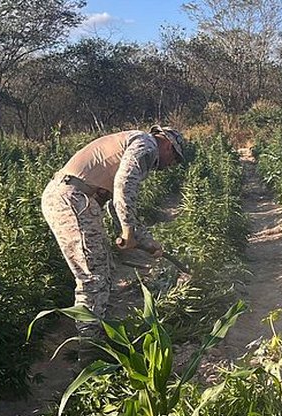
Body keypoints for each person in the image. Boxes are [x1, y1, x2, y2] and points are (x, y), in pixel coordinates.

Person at [41, 125, 186, 337]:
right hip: (72, 200)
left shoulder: (136, 144)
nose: (172, 164)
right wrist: (128, 231)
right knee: (93, 276)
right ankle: (89, 347)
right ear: (167, 144)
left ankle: (97, 328)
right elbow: (124, 186)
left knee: (103, 268)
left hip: (77, 199)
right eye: (175, 157)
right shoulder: (146, 145)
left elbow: (114, 204)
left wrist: (146, 242)